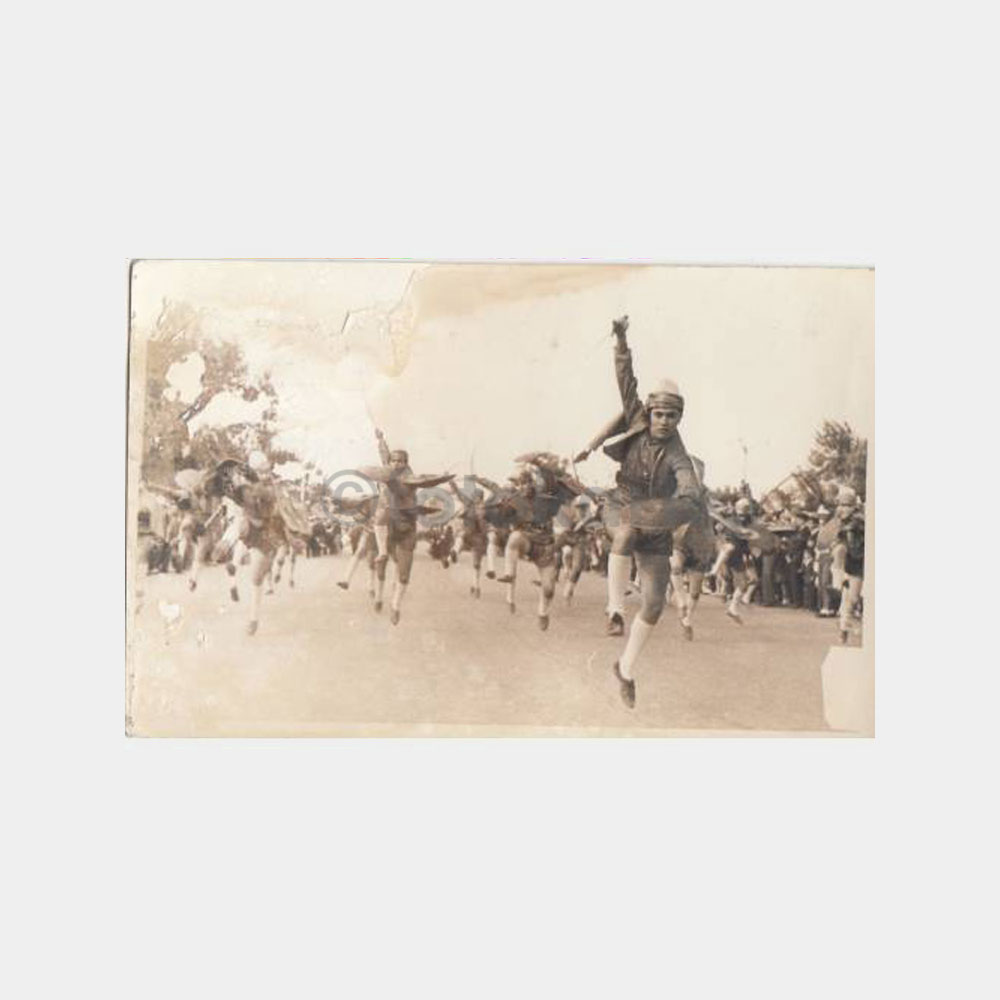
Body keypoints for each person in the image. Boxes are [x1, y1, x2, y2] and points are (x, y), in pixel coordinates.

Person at [575, 316, 700, 708]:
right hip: (623, 504)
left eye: (671, 416)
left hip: (657, 522)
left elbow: (689, 483)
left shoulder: (678, 453)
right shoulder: (635, 417)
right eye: (659, 414)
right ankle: (614, 609)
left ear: (679, 418)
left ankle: (625, 670)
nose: (663, 421)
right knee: (626, 531)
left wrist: (688, 496)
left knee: (655, 603)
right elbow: (626, 379)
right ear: (650, 411)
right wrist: (621, 339)